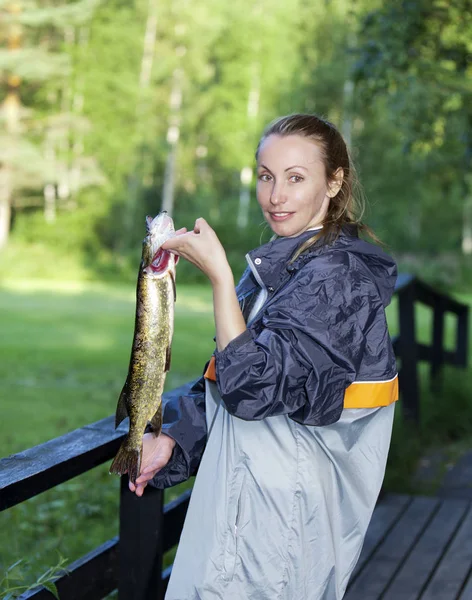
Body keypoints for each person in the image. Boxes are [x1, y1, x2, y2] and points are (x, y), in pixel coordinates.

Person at [129, 114, 398, 600]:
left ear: (334, 183)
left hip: (282, 520)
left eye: (296, 178)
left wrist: (219, 279)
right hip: (240, 503)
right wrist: (177, 438)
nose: (276, 196)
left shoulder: (337, 279)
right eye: (266, 176)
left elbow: (253, 388)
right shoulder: (284, 263)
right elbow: (224, 376)